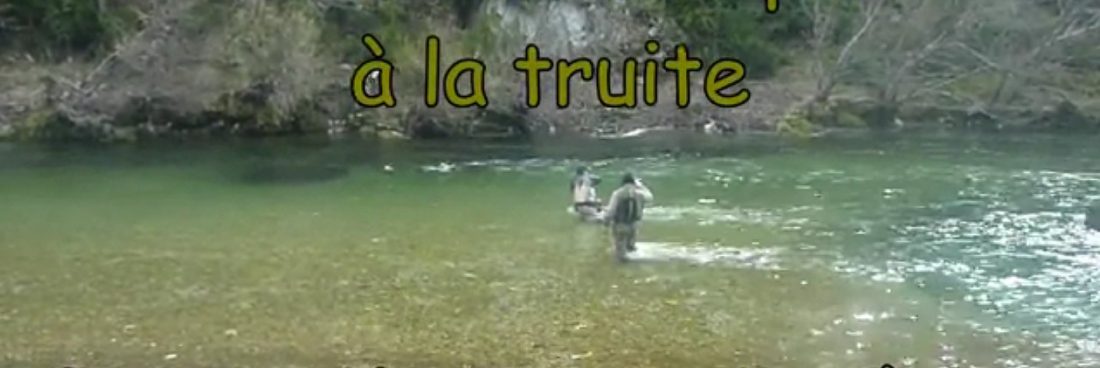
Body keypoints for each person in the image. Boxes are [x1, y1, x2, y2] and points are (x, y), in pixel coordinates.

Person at [602, 172, 653, 261]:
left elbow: (611, 211)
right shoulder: (639, 193)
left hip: (620, 226)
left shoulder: (617, 193)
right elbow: (650, 197)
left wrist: (606, 221)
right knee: (631, 248)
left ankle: (621, 271)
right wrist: (641, 186)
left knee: (620, 254)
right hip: (634, 225)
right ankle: (633, 270)